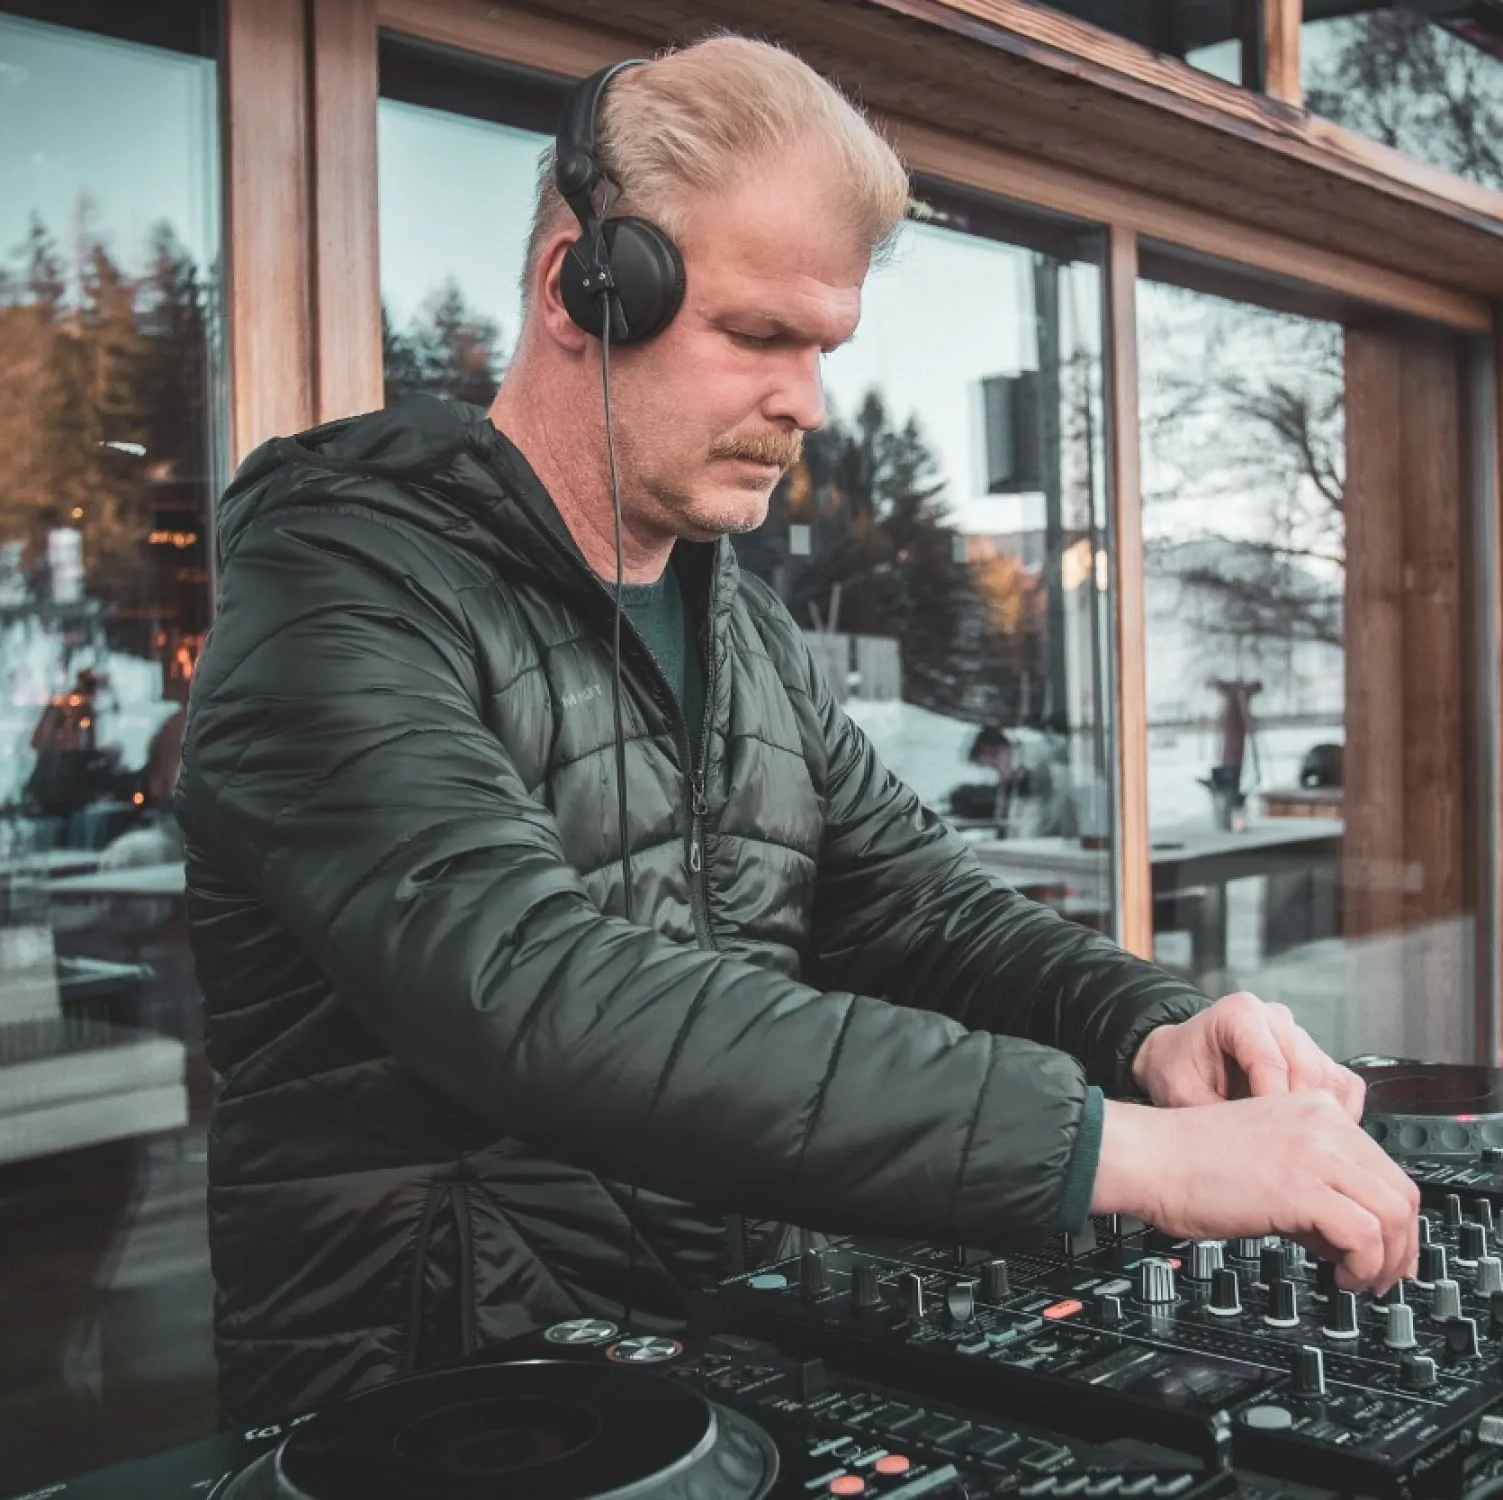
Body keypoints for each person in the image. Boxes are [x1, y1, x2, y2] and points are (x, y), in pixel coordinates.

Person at [176, 36, 1419, 1422]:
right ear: (580, 291)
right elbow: (532, 992)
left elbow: (918, 909)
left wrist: (1149, 1025)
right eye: (757, 336)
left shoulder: (747, 633)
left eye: (824, 349)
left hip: (725, 1381)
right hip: (431, 1413)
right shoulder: (338, 592)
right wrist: (1117, 1154)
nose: (805, 406)